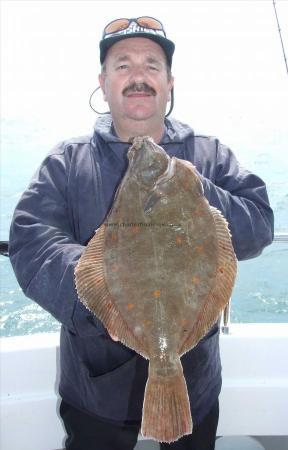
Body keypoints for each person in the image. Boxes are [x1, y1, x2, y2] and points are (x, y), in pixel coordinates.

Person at [9, 16, 274, 450]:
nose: (138, 77)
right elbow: (30, 242)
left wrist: (194, 189)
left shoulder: (208, 155)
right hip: (97, 387)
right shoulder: (67, 163)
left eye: (152, 65)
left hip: (194, 381)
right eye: (123, 65)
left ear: (170, 82)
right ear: (103, 81)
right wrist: (106, 294)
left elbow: (259, 225)